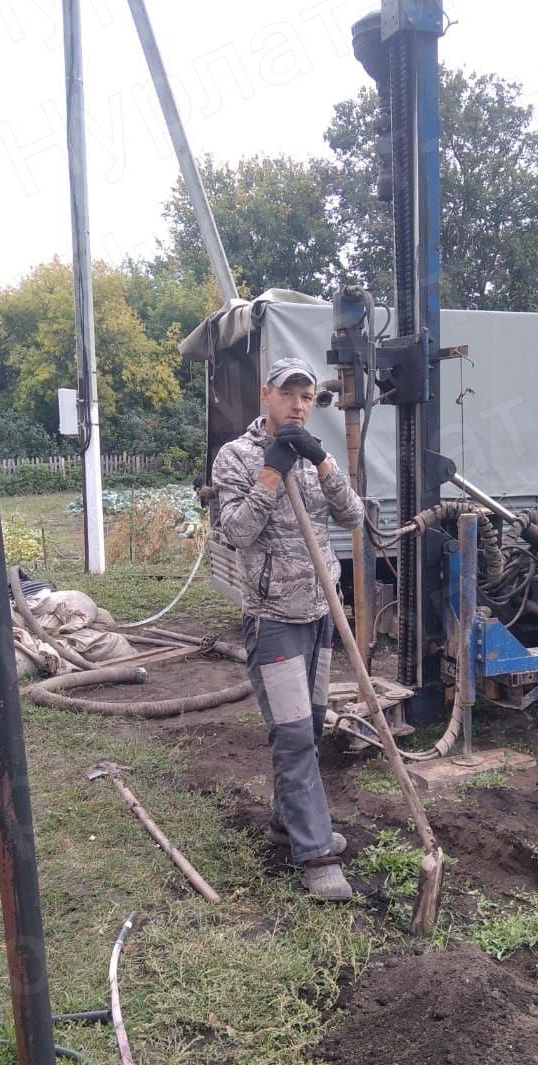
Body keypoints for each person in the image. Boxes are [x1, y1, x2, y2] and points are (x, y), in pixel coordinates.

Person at [211, 357, 365, 901]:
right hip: (273, 620)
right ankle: (316, 853)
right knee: (295, 734)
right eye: (288, 394)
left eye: (306, 396)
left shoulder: (313, 452)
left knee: (312, 725)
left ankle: (290, 820)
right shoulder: (236, 458)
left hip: (322, 615)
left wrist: (322, 463)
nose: (298, 405)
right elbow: (237, 532)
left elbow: (353, 518)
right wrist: (271, 475)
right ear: (266, 396)